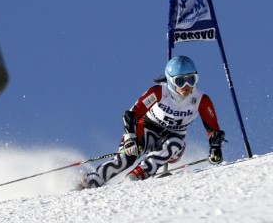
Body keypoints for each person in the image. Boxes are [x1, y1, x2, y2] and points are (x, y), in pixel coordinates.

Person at [78, 55, 225, 189]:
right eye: (180, 81)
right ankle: (89, 182)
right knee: (127, 157)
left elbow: (213, 129)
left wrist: (215, 147)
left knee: (174, 143)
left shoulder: (201, 100)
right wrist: (130, 138)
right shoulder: (159, 92)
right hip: (147, 128)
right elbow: (131, 114)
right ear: (170, 80)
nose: (186, 86)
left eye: (191, 79)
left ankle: (137, 176)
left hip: (173, 138)